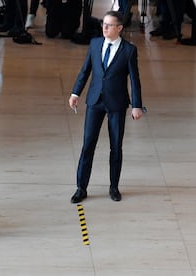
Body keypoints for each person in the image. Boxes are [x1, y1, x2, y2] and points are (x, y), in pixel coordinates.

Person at [68, 11, 143, 204]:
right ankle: (81, 187)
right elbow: (85, 70)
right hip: (95, 101)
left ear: (119, 28)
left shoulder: (129, 50)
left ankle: (114, 187)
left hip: (117, 104)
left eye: (109, 25)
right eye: (104, 24)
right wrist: (75, 93)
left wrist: (137, 105)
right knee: (88, 145)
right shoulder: (95, 44)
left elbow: (135, 80)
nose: (105, 28)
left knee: (116, 147)